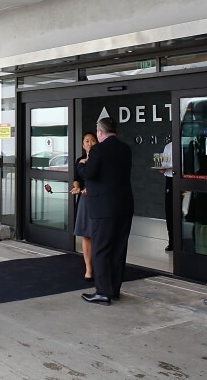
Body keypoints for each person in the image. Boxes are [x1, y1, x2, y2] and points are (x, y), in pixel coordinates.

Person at [81, 117, 134, 306]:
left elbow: (89, 173)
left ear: (100, 132)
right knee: (118, 249)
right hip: (124, 206)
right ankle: (115, 290)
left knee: (102, 249)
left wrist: (81, 164)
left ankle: (103, 292)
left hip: (103, 208)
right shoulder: (125, 149)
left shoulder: (98, 150)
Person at [70, 131, 98, 280]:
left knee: (98, 234)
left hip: (99, 198)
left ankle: (99, 266)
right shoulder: (80, 160)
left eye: (93, 140)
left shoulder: (100, 159)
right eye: (87, 141)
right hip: (85, 200)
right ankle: (89, 268)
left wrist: (92, 188)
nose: (90, 143)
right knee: (86, 235)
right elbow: (76, 179)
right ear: (83, 145)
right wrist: (77, 187)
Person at [154, 140, 174, 251]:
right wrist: (160, 167)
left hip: (185, 179)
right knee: (170, 211)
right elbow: (163, 168)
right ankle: (172, 241)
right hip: (170, 180)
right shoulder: (168, 147)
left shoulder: (189, 143)